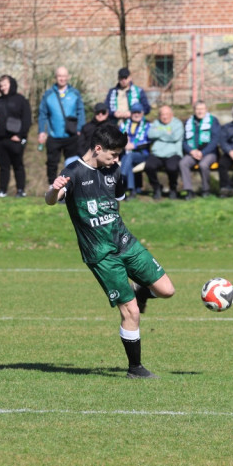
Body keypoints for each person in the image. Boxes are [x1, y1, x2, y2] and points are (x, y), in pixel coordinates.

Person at [45, 123, 175, 379]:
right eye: (113, 155)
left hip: (126, 242)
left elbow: (115, 205)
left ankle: (141, 292)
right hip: (101, 255)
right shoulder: (72, 173)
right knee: (131, 312)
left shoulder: (114, 172)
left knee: (167, 290)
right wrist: (53, 188)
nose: (116, 160)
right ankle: (135, 369)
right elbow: (51, 200)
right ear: (97, 148)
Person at [37, 66, 85, 184]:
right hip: (54, 135)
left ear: (68, 77)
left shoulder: (75, 93)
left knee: (73, 163)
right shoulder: (48, 95)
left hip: (72, 135)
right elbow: (43, 114)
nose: (62, 79)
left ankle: (71, 187)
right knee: (52, 163)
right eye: (59, 76)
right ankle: (52, 187)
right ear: (55, 77)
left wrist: (80, 129)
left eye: (64, 76)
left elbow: (81, 112)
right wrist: (42, 131)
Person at [0, 74, 32, 197]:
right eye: (0, 86)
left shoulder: (21, 100)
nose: (2, 88)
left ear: (11, 84)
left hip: (15, 139)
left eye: (5, 85)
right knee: (3, 167)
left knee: (18, 165)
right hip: (0, 140)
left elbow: (27, 119)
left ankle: (21, 190)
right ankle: (2, 191)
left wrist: (21, 135)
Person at [178, 101, 222, 199]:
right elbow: (184, 141)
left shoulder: (213, 121)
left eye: (202, 109)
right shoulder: (188, 122)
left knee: (203, 164)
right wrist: (191, 151)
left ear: (206, 110)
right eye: (198, 109)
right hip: (193, 152)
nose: (200, 111)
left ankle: (206, 190)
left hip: (209, 152)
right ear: (194, 110)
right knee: (183, 163)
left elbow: (215, 140)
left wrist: (203, 152)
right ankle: (189, 190)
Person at [143, 105, 184, 200]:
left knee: (172, 168)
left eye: (167, 114)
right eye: (162, 114)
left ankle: (173, 188)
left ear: (171, 115)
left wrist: (159, 133)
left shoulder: (177, 123)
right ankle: (157, 188)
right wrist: (166, 133)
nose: (164, 117)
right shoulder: (156, 123)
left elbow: (175, 137)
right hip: (157, 153)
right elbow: (150, 134)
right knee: (149, 166)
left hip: (173, 153)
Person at [119, 103, 150, 198]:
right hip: (126, 154)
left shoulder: (147, 125)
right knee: (128, 160)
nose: (136, 115)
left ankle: (121, 178)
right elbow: (118, 138)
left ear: (142, 113)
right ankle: (132, 190)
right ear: (131, 114)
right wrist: (124, 142)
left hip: (141, 154)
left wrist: (134, 146)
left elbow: (148, 142)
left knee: (129, 157)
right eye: (134, 112)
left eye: (138, 112)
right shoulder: (124, 125)